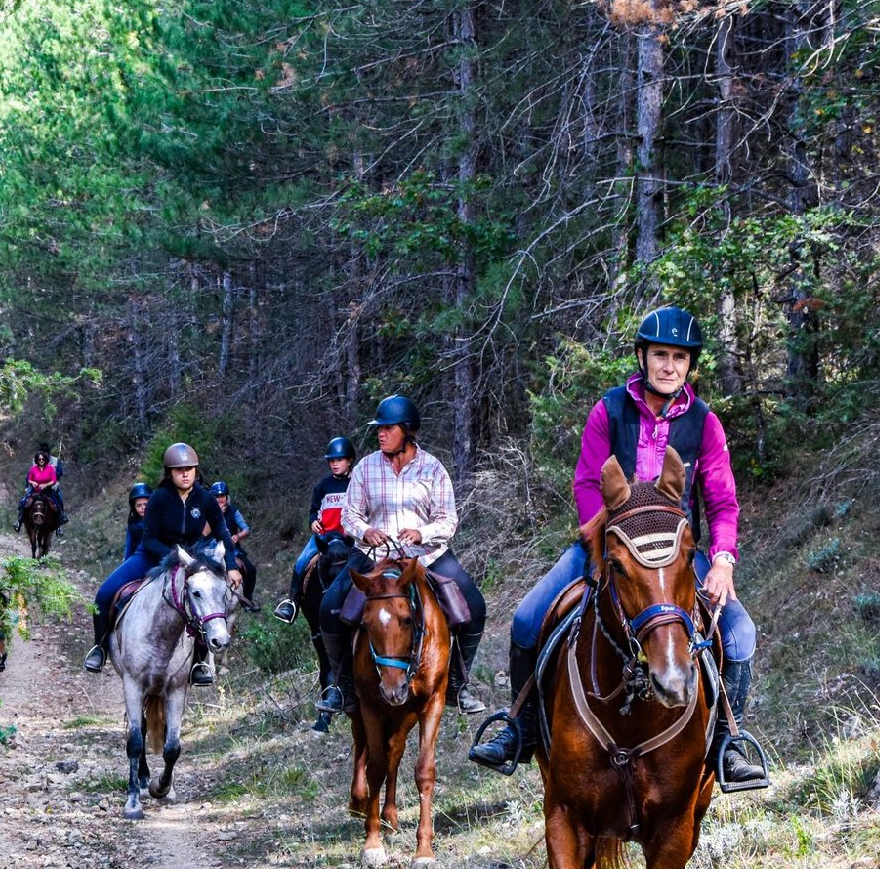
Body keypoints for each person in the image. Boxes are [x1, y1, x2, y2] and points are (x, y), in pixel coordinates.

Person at [467, 306, 768, 789]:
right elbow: (588, 482)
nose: (669, 366)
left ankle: (726, 745)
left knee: (739, 634)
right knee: (527, 617)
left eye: (679, 358)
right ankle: (520, 729)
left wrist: (724, 559)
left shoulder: (706, 424)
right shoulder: (609, 410)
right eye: (660, 355)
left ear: (690, 365)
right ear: (643, 357)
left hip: (674, 554)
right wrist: (600, 538)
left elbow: (722, 500)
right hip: (611, 544)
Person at [318, 396, 487, 716]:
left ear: (407, 432)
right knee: (329, 607)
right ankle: (341, 688)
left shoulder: (433, 469)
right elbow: (349, 516)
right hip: (374, 555)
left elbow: (448, 520)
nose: (380, 434)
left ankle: (457, 684)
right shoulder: (366, 467)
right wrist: (365, 530)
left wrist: (422, 533)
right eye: (379, 429)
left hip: (425, 555)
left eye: (388, 428)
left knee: (474, 606)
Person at [84, 443, 243, 682]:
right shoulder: (158, 499)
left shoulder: (205, 499)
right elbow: (149, 540)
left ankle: (198, 662)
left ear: (196, 471)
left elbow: (222, 531)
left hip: (192, 558)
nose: (185, 473)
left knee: (204, 603)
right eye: (179, 470)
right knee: (104, 594)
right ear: (170, 472)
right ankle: (100, 647)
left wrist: (231, 565)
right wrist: (175, 558)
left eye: (189, 468)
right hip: (151, 556)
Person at [273, 436, 355, 624]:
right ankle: (291, 603)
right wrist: (312, 523)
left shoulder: (356, 484)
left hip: (349, 538)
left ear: (349, 460)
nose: (334, 464)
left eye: (339, 460)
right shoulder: (323, 486)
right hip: (324, 538)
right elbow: (313, 511)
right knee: (301, 563)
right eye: (332, 461)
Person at [210, 480, 258, 602]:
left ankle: (248, 599)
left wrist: (238, 536)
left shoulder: (233, 511)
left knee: (251, 570)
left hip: (233, 549)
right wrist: (216, 515)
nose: (220, 499)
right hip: (211, 548)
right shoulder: (207, 512)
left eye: (222, 496)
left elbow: (246, 529)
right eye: (217, 497)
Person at [15, 449, 66, 529]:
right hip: (35, 489)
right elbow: (29, 477)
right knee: (24, 501)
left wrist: (46, 484)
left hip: (49, 488)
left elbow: (58, 475)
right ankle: (19, 521)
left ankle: (60, 522)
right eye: (39, 459)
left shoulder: (54, 463)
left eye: (43, 458)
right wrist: (31, 483)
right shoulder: (34, 467)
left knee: (57, 502)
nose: (41, 460)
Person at [123, 482, 152, 557]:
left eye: (145, 504)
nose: (143, 508)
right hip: (140, 558)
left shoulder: (159, 519)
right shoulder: (133, 526)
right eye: (139, 505)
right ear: (134, 508)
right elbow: (128, 548)